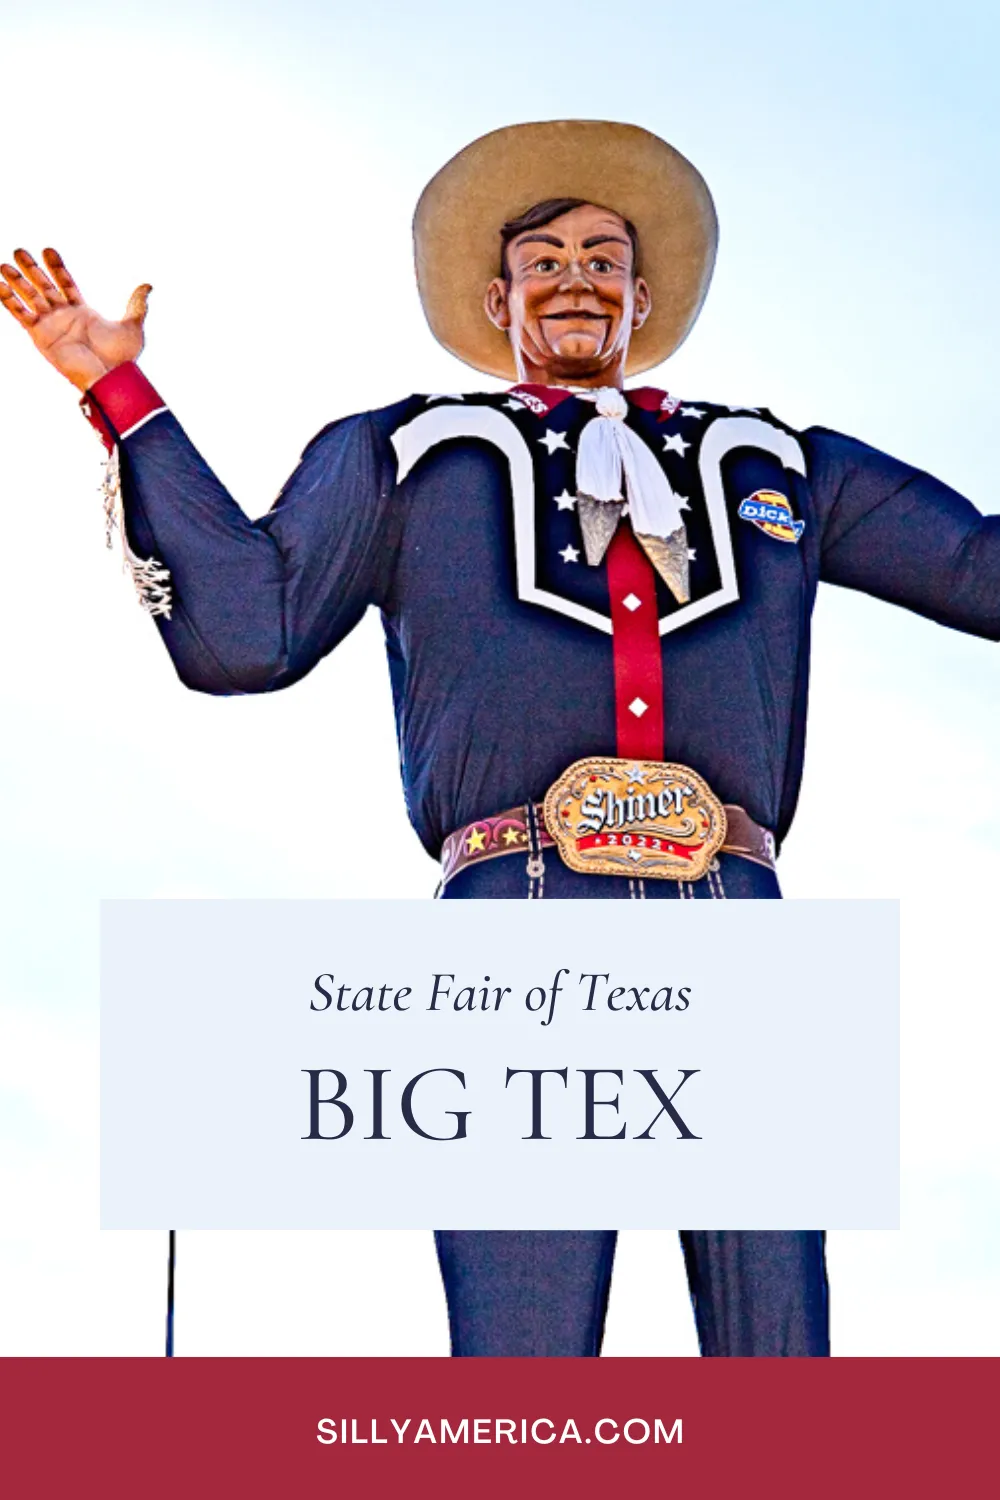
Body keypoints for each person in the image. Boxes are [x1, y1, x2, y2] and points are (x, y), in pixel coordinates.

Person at [2, 120, 996, 1358]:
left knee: (777, 1366)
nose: (576, 277)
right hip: (517, 910)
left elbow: (977, 565)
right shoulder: (406, 454)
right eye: (545, 259)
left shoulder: (784, 466)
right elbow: (246, 631)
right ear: (499, 297)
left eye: (604, 257)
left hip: (740, 911)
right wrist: (120, 392)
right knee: (522, 1371)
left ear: (643, 296)